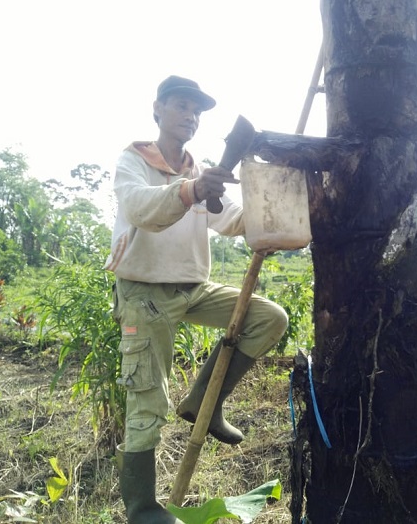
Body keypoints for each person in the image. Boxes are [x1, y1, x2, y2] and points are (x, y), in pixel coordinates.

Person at [104, 75, 288, 524]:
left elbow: (227, 221)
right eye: (182, 106)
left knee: (269, 319)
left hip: (192, 288)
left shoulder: (198, 169)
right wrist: (191, 190)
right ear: (158, 110)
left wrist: (278, 220)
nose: (190, 116)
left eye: (197, 111)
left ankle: (204, 401)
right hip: (145, 294)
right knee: (147, 398)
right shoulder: (135, 160)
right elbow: (142, 209)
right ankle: (143, 509)